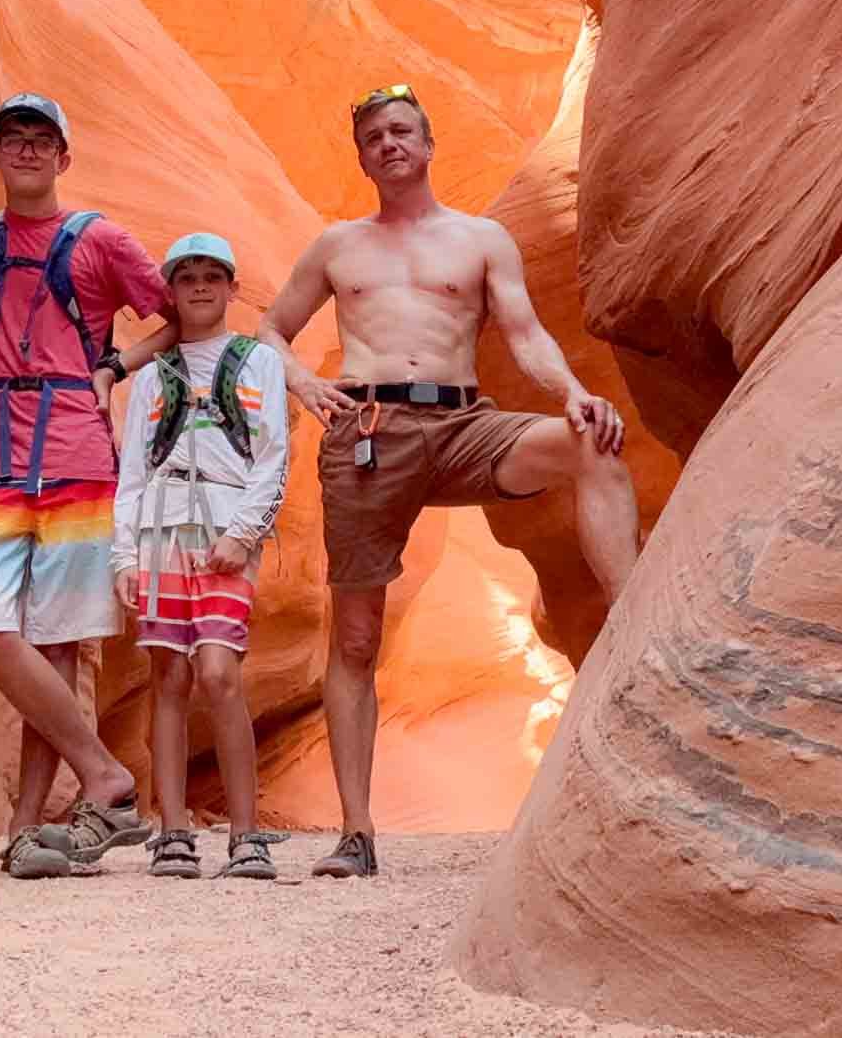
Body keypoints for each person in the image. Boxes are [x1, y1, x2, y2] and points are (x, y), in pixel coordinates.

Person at [256, 83, 640, 879]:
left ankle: (635, 615)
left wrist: (574, 395)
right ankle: (357, 834)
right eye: (374, 136)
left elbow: (527, 333)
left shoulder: (483, 240)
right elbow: (268, 327)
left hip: (465, 424)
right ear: (363, 157)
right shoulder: (338, 247)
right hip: (367, 434)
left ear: (428, 145)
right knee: (356, 635)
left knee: (589, 443)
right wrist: (301, 380)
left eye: (403, 131)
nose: (390, 143)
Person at [0, 94, 176, 879]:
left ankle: (27, 826)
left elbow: (176, 313)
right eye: (13, 140)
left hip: (74, 446)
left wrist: (116, 366)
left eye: (42, 141)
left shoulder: (101, 239)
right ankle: (104, 773)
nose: (27, 152)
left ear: (64, 157)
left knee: (56, 643)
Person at [110, 232, 289, 882]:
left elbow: (272, 456)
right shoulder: (154, 376)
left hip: (224, 527)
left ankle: (246, 834)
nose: (202, 287)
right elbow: (132, 470)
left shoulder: (258, 362)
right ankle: (173, 830)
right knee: (169, 677)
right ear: (172, 290)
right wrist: (123, 556)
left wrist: (244, 533)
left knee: (217, 670)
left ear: (233, 287)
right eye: (188, 277)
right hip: (161, 525)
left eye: (214, 275)